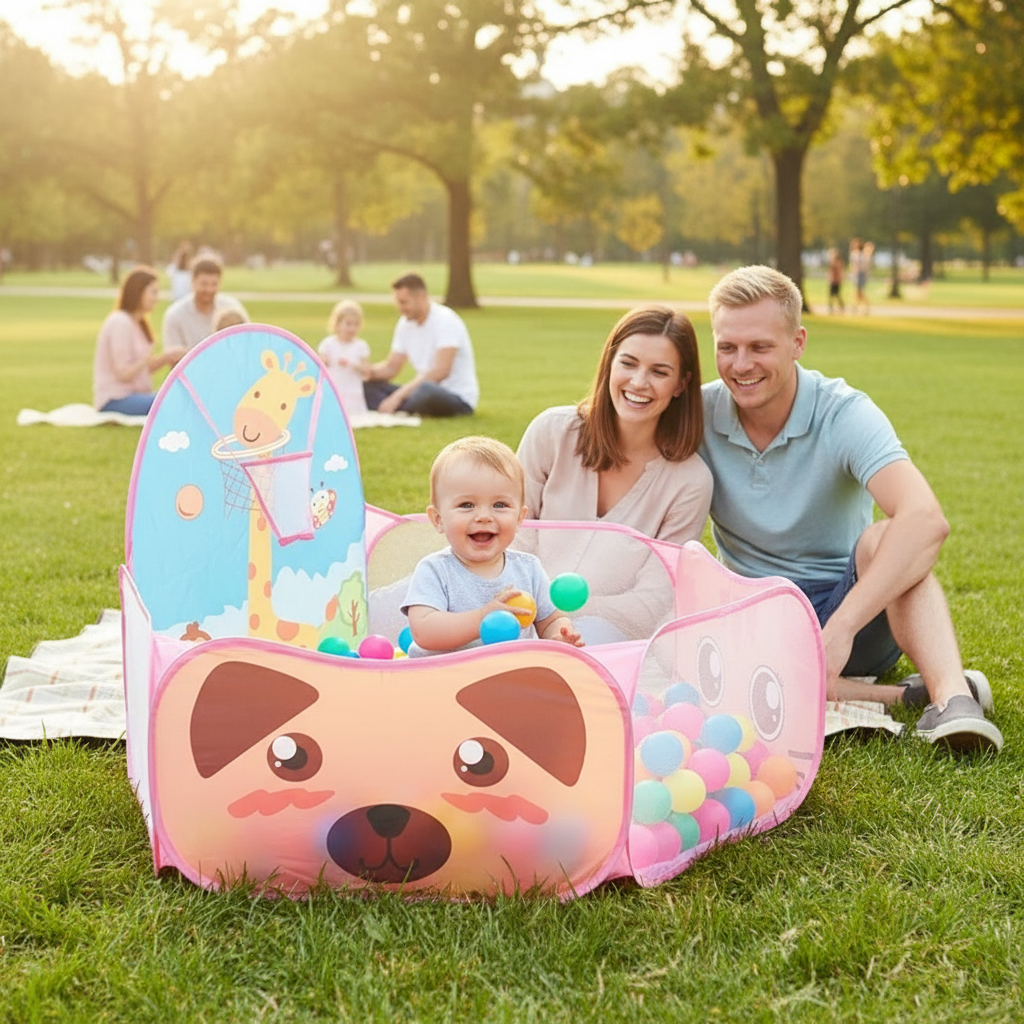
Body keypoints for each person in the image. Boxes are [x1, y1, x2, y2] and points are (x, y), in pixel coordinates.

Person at [700, 264, 1001, 752]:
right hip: (758, 618)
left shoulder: (842, 411)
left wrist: (839, 629)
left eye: (760, 347)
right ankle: (904, 696)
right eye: (727, 347)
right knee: (717, 676)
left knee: (887, 537)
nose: (740, 364)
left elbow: (926, 519)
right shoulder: (698, 413)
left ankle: (951, 702)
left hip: (854, 615)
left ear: (798, 342)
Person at [516, 305, 711, 545]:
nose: (639, 382)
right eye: (628, 364)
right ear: (609, 364)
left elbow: (660, 580)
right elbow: (512, 535)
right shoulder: (550, 433)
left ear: (681, 384)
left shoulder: (690, 481)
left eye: (659, 372)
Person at [401, 437, 583, 657]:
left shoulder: (529, 569)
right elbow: (424, 631)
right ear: (438, 519)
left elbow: (550, 619)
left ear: (519, 518)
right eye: (466, 505)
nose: (484, 516)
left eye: (500, 505)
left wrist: (559, 634)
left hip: (508, 678)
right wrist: (483, 618)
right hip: (442, 679)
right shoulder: (435, 570)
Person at [363, 273, 478, 417]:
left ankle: (399, 408)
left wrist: (398, 396)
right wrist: (368, 372)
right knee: (366, 387)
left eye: (404, 302)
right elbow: (391, 367)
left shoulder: (446, 320)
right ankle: (402, 409)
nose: (400, 308)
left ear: (421, 297)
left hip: (453, 397)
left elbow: (440, 372)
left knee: (426, 390)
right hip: (418, 392)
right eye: (398, 302)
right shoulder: (405, 324)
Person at [92, 266, 185, 415]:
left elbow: (141, 371)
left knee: (176, 397)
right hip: (115, 399)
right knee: (172, 401)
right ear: (138, 292)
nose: (157, 298)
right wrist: (145, 360)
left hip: (134, 396)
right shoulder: (120, 322)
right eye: (153, 292)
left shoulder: (138, 324)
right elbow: (123, 373)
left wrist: (166, 357)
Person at [162, 255, 249, 351]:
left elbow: (248, 345)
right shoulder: (175, 314)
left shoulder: (232, 307)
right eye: (204, 284)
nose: (209, 289)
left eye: (214, 284)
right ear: (193, 281)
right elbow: (175, 359)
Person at [318, 299, 371, 417]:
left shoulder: (360, 346)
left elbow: (366, 371)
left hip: (353, 390)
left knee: (353, 415)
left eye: (356, 324)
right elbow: (321, 365)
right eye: (348, 324)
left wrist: (353, 364)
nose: (352, 328)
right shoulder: (328, 344)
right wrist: (325, 361)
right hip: (335, 387)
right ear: (337, 324)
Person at [849, 238, 873, 315]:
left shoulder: (861, 255)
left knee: (859, 292)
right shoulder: (855, 254)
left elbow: (864, 266)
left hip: (860, 274)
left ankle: (861, 307)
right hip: (857, 274)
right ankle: (858, 307)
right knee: (857, 292)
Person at [826, 247, 845, 314]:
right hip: (833, 280)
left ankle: (840, 307)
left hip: (836, 280)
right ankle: (831, 308)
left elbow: (839, 271)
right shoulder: (833, 262)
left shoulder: (837, 262)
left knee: (836, 294)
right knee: (832, 295)